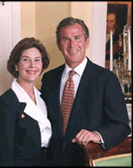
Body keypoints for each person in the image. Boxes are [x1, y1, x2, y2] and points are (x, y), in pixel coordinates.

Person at [41, 17, 131, 166]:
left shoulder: (106, 79)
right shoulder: (49, 79)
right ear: (59, 44)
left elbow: (121, 126)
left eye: (77, 38)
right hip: (53, 161)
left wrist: (97, 135)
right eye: (65, 39)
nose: (72, 45)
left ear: (87, 41)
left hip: (87, 160)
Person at [0, 37, 52, 166]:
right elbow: (4, 155)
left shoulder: (44, 98)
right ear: (16, 65)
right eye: (26, 60)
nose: (32, 65)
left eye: (37, 60)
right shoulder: (6, 103)